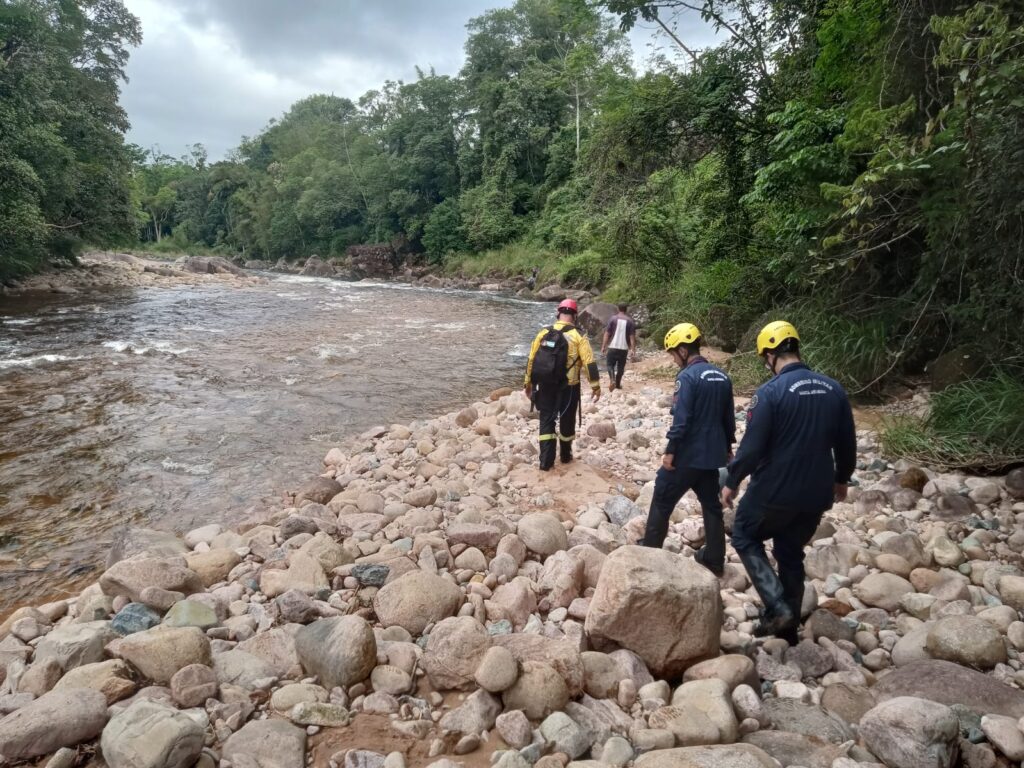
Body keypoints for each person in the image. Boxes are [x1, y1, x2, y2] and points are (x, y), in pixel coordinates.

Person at [720, 321, 856, 644]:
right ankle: (789, 628)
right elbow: (847, 442)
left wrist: (733, 480)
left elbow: (752, 447)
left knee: (744, 534)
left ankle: (778, 606)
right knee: (790, 549)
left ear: (770, 354)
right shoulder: (833, 389)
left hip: (774, 490)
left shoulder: (770, 393)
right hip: (817, 493)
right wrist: (842, 479)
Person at [641, 323, 735, 576]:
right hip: (712, 458)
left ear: (683, 351)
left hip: (687, 455)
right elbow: (728, 418)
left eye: (673, 353)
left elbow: (681, 420)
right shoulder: (722, 376)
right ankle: (715, 560)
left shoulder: (686, 378)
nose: (673, 360)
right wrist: (728, 447)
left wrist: (670, 451)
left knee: (662, 497)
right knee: (711, 505)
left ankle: (649, 553)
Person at [524, 299, 601, 470]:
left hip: (545, 385)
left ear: (558, 313)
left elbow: (531, 359)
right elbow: (589, 362)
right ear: (575, 316)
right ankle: (566, 456)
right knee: (567, 421)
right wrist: (595, 385)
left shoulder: (543, 332)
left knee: (546, 420)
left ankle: (545, 462)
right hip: (569, 387)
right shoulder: (578, 335)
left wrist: (528, 383)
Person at [601, 304, 637, 391]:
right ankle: (617, 384)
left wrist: (603, 346)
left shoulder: (613, 319)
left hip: (612, 347)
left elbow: (607, 334)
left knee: (610, 365)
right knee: (621, 367)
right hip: (624, 349)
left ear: (618, 309)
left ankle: (612, 379)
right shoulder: (630, 321)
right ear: (626, 310)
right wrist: (633, 349)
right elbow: (632, 337)